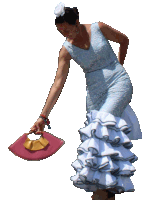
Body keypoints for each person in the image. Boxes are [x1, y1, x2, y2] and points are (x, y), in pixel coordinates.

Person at [30, 2, 142, 200]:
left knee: (102, 125)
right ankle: (109, 187)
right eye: (60, 31)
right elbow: (57, 84)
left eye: (67, 29)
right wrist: (42, 116)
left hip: (118, 83)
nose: (65, 34)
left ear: (78, 23)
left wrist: (118, 66)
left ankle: (104, 187)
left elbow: (124, 40)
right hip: (94, 93)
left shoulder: (99, 27)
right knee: (96, 136)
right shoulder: (66, 50)